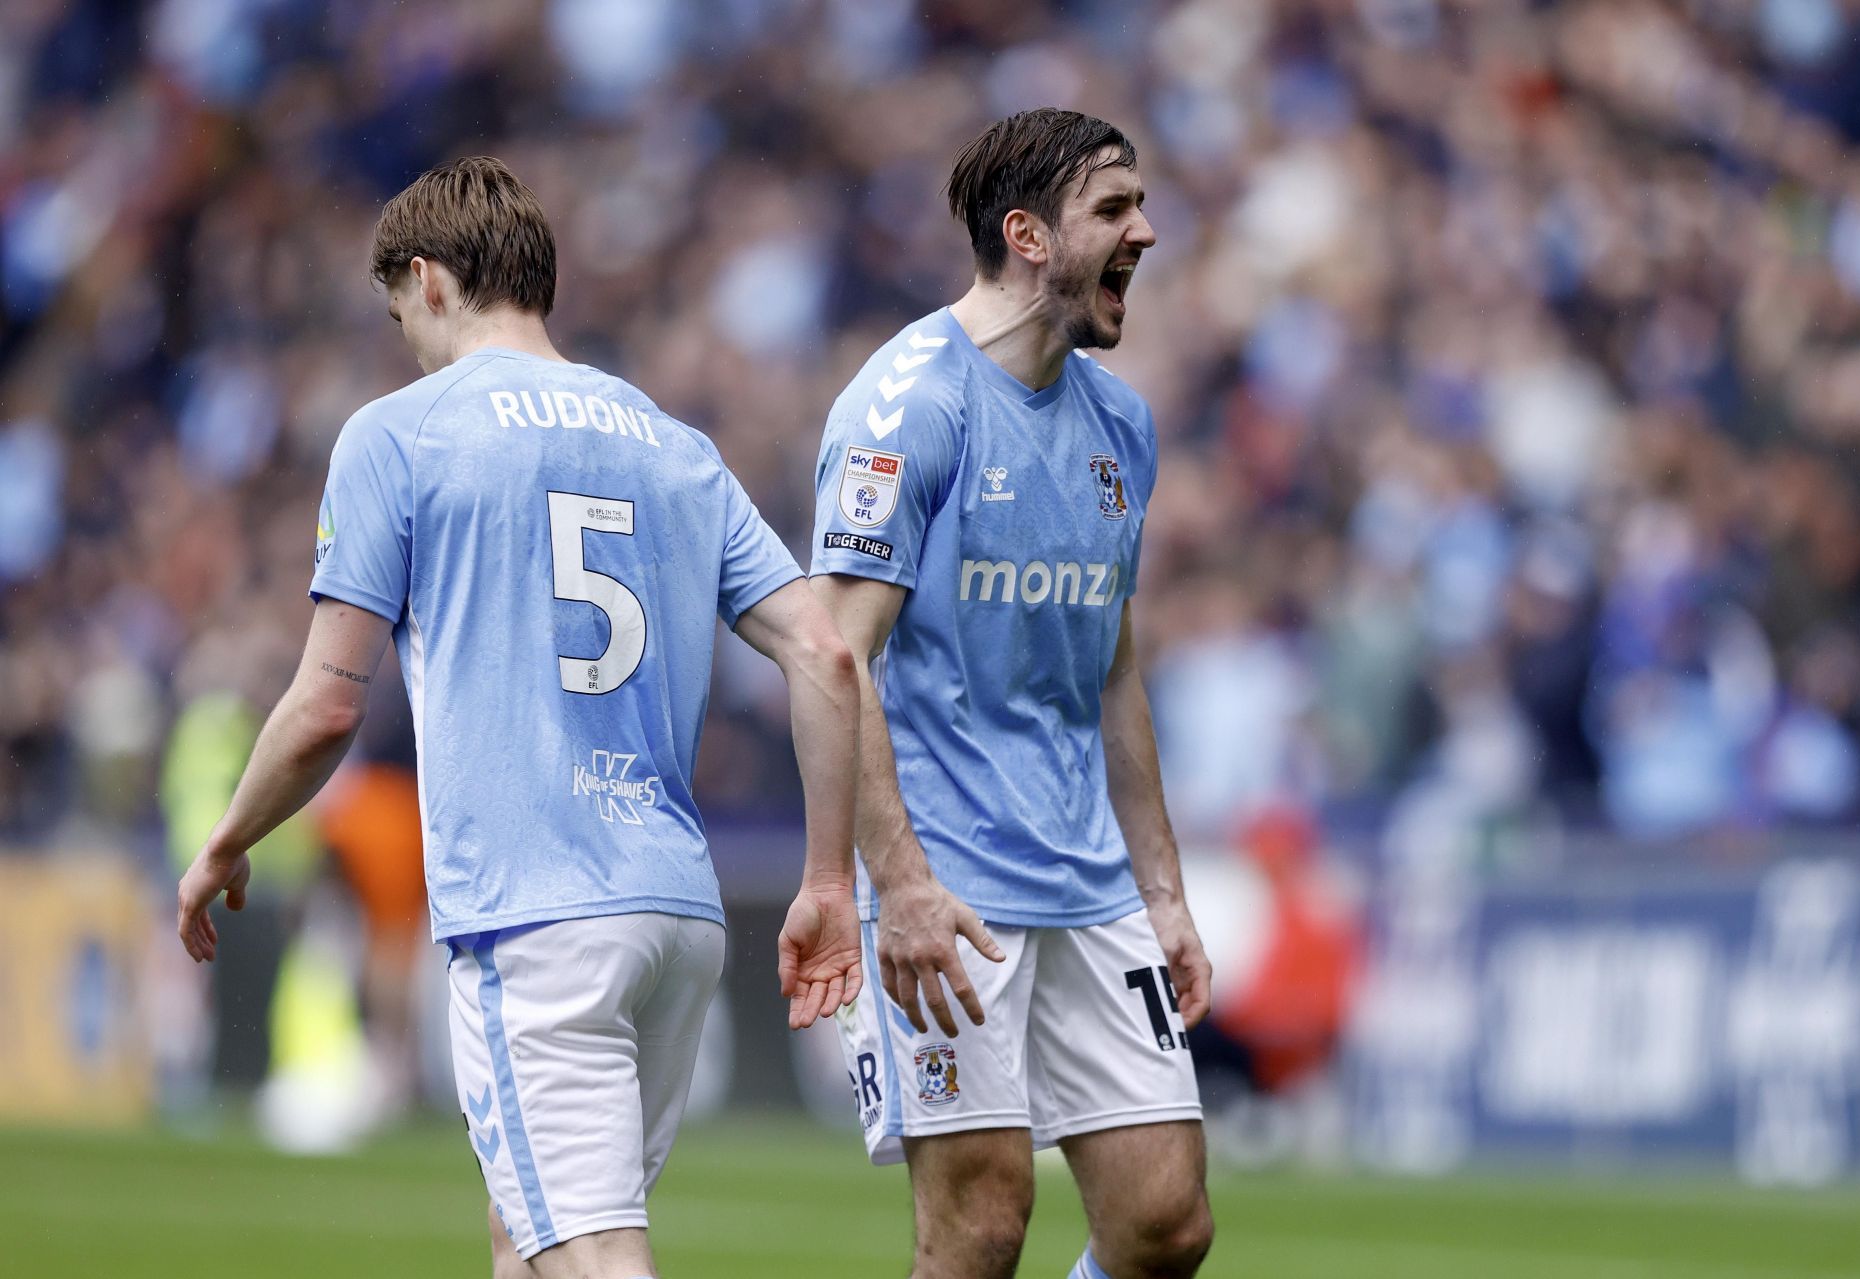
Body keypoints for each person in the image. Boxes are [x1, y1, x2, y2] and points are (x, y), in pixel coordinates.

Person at [176, 156, 862, 1279]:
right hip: (677, 913)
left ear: (430, 279)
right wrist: (828, 880)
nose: (405, 337)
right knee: (527, 1237)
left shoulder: (398, 435)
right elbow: (826, 651)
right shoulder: (677, 445)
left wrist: (227, 838)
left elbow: (323, 706)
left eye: (400, 310)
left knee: (588, 1253)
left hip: (538, 912)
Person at [810, 109, 1215, 1279]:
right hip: (949, 884)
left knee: (1165, 1224)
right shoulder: (908, 406)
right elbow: (839, 658)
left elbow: (1115, 665)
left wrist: (1165, 891)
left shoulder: (1121, 427)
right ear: (1028, 234)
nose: (1147, 230)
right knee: (980, 1232)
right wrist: (897, 881)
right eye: (1115, 209)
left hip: (1088, 879)